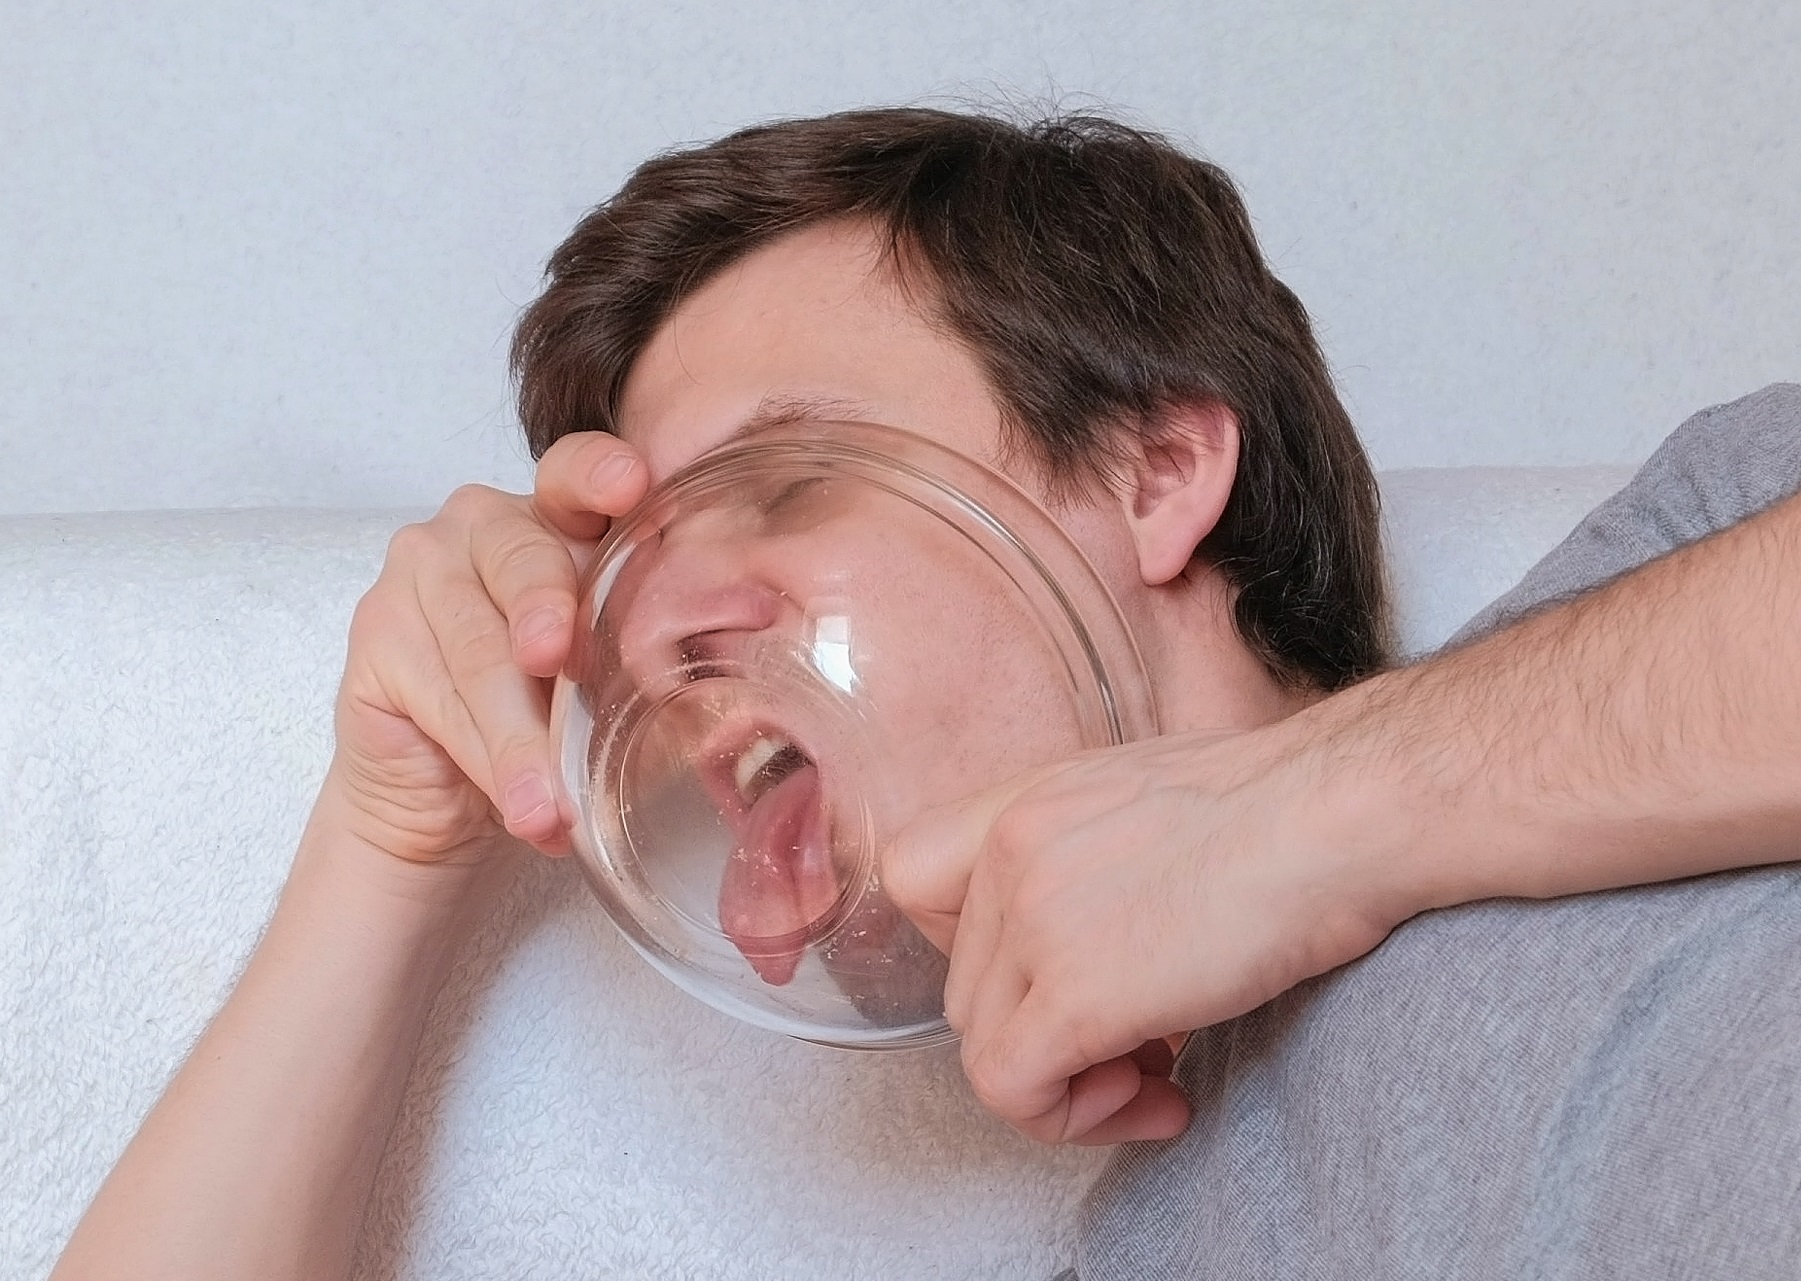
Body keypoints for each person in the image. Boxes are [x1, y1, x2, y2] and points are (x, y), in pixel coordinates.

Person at [49, 107, 1800, 1280]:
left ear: (1150, 470)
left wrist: (1305, 815)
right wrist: (397, 837)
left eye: (792, 482)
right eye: (633, 580)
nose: (657, 630)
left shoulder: (1704, 544)